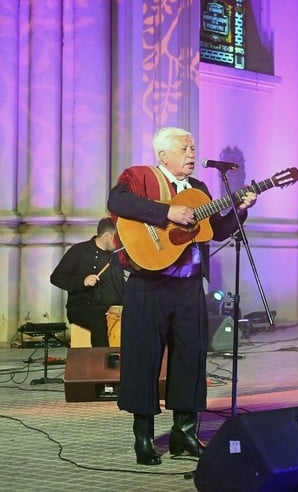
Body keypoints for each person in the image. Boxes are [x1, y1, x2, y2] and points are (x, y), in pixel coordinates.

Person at [107, 126, 257, 465]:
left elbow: (215, 231)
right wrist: (166, 213)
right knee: (144, 358)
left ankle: (184, 433)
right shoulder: (140, 178)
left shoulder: (199, 189)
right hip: (149, 284)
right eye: (184, 148)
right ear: (163, 155)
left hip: (189, 286)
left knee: (191, 356)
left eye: (192, 148)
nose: (192, 154)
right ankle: (144, 437)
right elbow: (117, 201)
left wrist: (240, 210)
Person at [50, 217, 125, 347]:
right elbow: (56, 277)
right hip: (82, 308)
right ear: (107, 236)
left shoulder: (116, 256)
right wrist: (82, 282)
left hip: (113, 308)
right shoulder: (79, 251)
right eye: (118, 239)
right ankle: (101, 358)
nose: (120, 243)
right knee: (98, 318)